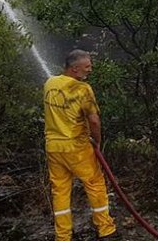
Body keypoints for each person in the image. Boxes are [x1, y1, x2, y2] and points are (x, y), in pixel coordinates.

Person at [44, 50, 117, 240]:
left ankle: (63, 236)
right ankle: (105, 229)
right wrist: (98, 141)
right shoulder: (83, 89)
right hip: (76, 147)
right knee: (95, 184)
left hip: (53, 148)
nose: (90, 70)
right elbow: (93, 121)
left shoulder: (50, 83)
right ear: (74, 69)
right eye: (87, 67)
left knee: (59, 191)